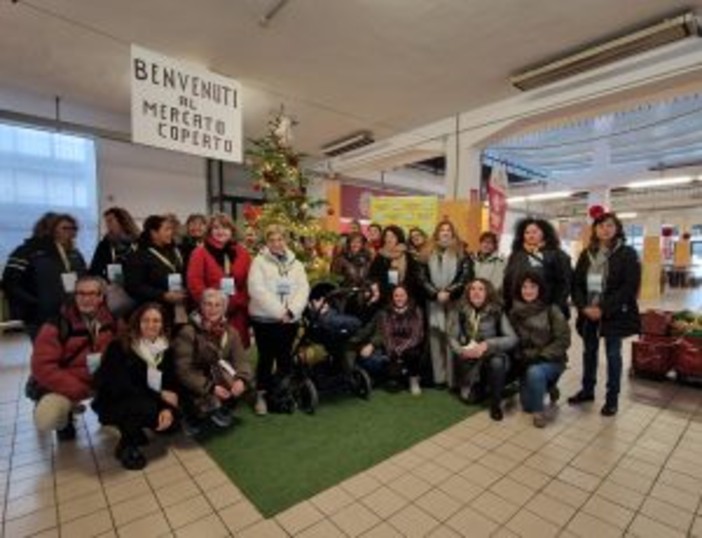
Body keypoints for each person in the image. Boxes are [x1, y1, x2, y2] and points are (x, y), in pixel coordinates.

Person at [568, 212, 641, 416]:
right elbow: (576, 284)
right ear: (595, 230)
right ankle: (588, 390)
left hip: (614, 314)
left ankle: (612, 399)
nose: (605, 229)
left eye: (609, 225)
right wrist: (583, 307)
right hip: (588, 313)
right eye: (600, 226)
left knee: (613, 355)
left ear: (617, 229)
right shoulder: (587, 253)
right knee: (589, 353)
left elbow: (629, 287)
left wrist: (603, 309)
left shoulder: (627, 253)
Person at [92, 303, 180, 470]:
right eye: (145, 320)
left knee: (172, 424)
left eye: (156, 321)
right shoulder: (119, 347)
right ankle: (127, 445)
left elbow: (170, 381)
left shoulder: (165, 348)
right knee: (143, 408)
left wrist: (168, 408)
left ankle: (138, 428)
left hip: (148, 397)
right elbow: (123, 387)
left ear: (163, 324)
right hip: (115, 401)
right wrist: (161, 399)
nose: (151, 325)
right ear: (137, 322)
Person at [31, 276, 116, 440]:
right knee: (46, 418)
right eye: (81, 294)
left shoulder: (112, 321)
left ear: (101, 297)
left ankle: (108, 414)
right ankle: (65, 419)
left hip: (102, 382)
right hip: (68, 383)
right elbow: (42, 367)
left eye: (92, 294)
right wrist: (76, 390)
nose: (86, 299)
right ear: (74, 296)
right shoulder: (56, 325)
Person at [247, 224, 310, 415]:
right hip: (264, 320)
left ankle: (282, 394)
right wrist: (278, 311)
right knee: (266, 358)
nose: (276, 243)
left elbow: (303, 289)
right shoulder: (258, 262)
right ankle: (261, 396)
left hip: (289, 320)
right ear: (267, 242)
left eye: (280, 239)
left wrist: (291, 312)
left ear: (286, 241)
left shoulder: (296, 264)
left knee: (284, 358)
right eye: (272, 240)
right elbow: (257, 289)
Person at [174, 289, 252, 434]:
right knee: (191, 394)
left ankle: (220, 408)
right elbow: (183, 371)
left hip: (216, 374)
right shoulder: (188, 331)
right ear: (200, 306)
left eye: (218, 305)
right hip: (196, 378)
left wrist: (241, 379)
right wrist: (210, 387)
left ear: (224, 308)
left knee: (242, 383)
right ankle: (190, 415)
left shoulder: (231, 332)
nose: (212, 309)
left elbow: (241, 360)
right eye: (208, 304)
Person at [2, 213, 87, 340]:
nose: (69, 232)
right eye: (64, 228)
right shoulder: (26, 251)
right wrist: (35, 304)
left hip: (72, 314)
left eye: (73, 228)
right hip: (38, 317)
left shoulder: (74, 253)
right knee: (46, 354)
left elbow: (84, 279)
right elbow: (9, 283)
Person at [447, 279, 517, 420]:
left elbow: (512, 338)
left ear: (488, 293)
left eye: (481, 289)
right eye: (473, 289)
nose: (476, 292)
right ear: (468, 293)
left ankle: (495, 404)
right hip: (471, 358)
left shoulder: (497, 311)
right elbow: (451, 337)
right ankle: (483, 385)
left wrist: (487, 344)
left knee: (496, 362)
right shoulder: (460, 310)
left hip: (492, 355)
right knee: (469, 400)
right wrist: (462, 351)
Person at [509, 272, 571, 428]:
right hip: (526, 361)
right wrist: (519, 356)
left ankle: (539, 413)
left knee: (535, 372)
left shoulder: (551, 309)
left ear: (540, 289)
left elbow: (564, 339)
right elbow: (512, 339)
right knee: (526, 406)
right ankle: (549, 387)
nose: (528, 291)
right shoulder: (514, 312)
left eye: (533, 287)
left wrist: (541, 356)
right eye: (524, 287)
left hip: (551, 360)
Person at [418, 220, 474, 388]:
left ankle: (453, 378)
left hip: (454, 302)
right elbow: (421, 278)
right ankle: (439, 378)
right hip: (434, 303)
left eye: (448, 230)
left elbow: (466, 277)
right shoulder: (426, 253)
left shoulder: (462, 252)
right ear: (436, 233)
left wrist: (449, 292)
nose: (445, 233)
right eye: (442, 230)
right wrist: (436, 294)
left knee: (452, 339)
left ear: (453, 233)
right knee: (436, 341)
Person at [187, 213, 252, 348]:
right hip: (210, 314)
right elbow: (195, 283)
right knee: (211, 353)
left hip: (237, 313)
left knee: (236, 353)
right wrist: (212, 306)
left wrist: (239, 301)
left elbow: (248, 282)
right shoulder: (200, 252)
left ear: (232, 231)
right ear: (210, 231)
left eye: (225, 228)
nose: (221, 231)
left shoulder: (243, 253)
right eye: (216, 228)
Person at [352, 285, 425, 395]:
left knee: (413, 353)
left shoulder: (416, 310)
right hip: (391, 347)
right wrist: (394, 349)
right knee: (376, 359)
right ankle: (389, 377)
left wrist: (401, 349)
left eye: (402, 295)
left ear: (407, 297)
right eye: (396, 296)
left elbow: (416, 335)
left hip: (410, 346)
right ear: (392, 297)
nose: (399, 298)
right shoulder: (385, 312)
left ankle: (413, 381)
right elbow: (386, 334)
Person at [124, 215, 187, 326]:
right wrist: (163, 295)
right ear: (154, 233)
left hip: (177, 308)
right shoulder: (139, 255)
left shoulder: (176, 251)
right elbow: (133, 286)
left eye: (171, 229)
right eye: (167, 229)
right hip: (151, 311)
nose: (171, 232)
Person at [503, 218, 572, 319]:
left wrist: (556, 307)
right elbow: (508, 281)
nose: (530, 235)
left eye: (535, 232)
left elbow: (565, 283)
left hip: (547, 309)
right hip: (519, 309)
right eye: (527, 232)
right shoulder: (516, 255)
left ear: (544, 233)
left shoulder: (558, 255)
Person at [368, 225, 421, 306]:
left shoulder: (407, 255)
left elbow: (414, 276)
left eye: (392, 236)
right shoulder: (380, 255)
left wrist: (402, 290)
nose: (389, 239)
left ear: (398, 238)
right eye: (386, 236)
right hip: (384, 298)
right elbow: (372, 276)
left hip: (406, 297)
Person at [331, 232, 375, 320]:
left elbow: (371, 278)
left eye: (359, 242)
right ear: (348, 244)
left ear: (363, 244)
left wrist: (368, 289)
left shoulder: (368, 259)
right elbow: (334, 280)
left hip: (363, 297)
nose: (355, 244)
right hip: (345, 298)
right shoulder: (340, 260)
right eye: (353, 242)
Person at [89, 207, 139, 281]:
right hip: (113, 287)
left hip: (136, 286)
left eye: (110, 221)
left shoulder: (138, 242)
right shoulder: (105, 244)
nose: (107, 225)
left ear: (122, 221)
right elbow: (95, 270)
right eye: (106, 222)